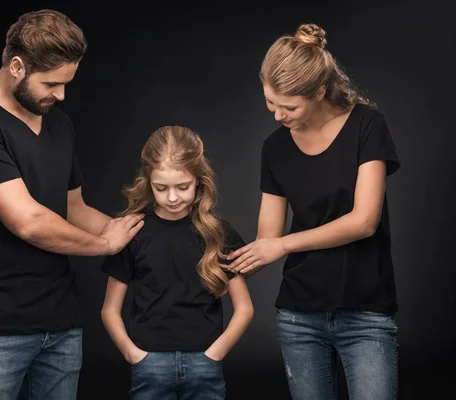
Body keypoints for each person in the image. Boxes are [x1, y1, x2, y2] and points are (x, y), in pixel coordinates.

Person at [0, 9, 144, 400]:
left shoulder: (57, 121)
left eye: (67, 83)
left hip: (62, 324)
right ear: (16, 66)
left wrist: (143, 234)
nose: (61, 95)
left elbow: (74, 209)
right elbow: (28, 221)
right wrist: (105, 245)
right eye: (51, 83)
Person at [227, 23, 401, 399]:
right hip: (298, 316)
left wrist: (284, 245)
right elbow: (268, 238)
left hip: (365, 312)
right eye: (270, 103)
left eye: (289, 106)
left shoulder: (367, 125)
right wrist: (219, 261)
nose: (277, 115)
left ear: (320, 91)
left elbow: (364, 221)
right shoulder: (274, 148)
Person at [100, 125, 254, 399]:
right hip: (149, 363)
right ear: (148, 183)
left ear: (199, 181)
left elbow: (244, 309)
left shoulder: (218, 233)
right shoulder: (132, 233)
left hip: (205, 362)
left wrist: (214, 355)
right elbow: (110, 309)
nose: (172, 197)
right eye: (161, 188)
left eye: (183, 187)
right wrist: (133, 354)